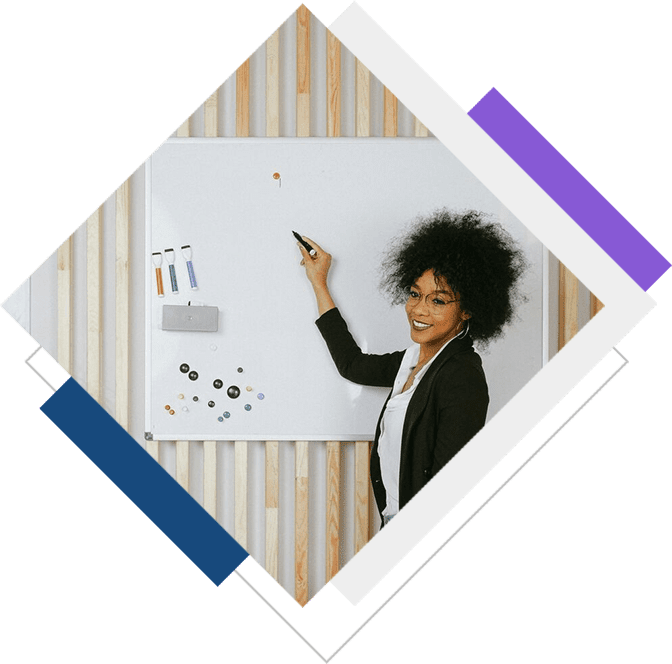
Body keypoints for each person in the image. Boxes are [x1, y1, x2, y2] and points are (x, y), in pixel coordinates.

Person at [296, 208, 527, 527]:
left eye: (438, 301)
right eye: (415, 294)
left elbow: (450, 486)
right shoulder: (411, 360)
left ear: (469, 310)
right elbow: (352, 365)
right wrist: (319, 282)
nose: (418, 309)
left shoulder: (461, 375)